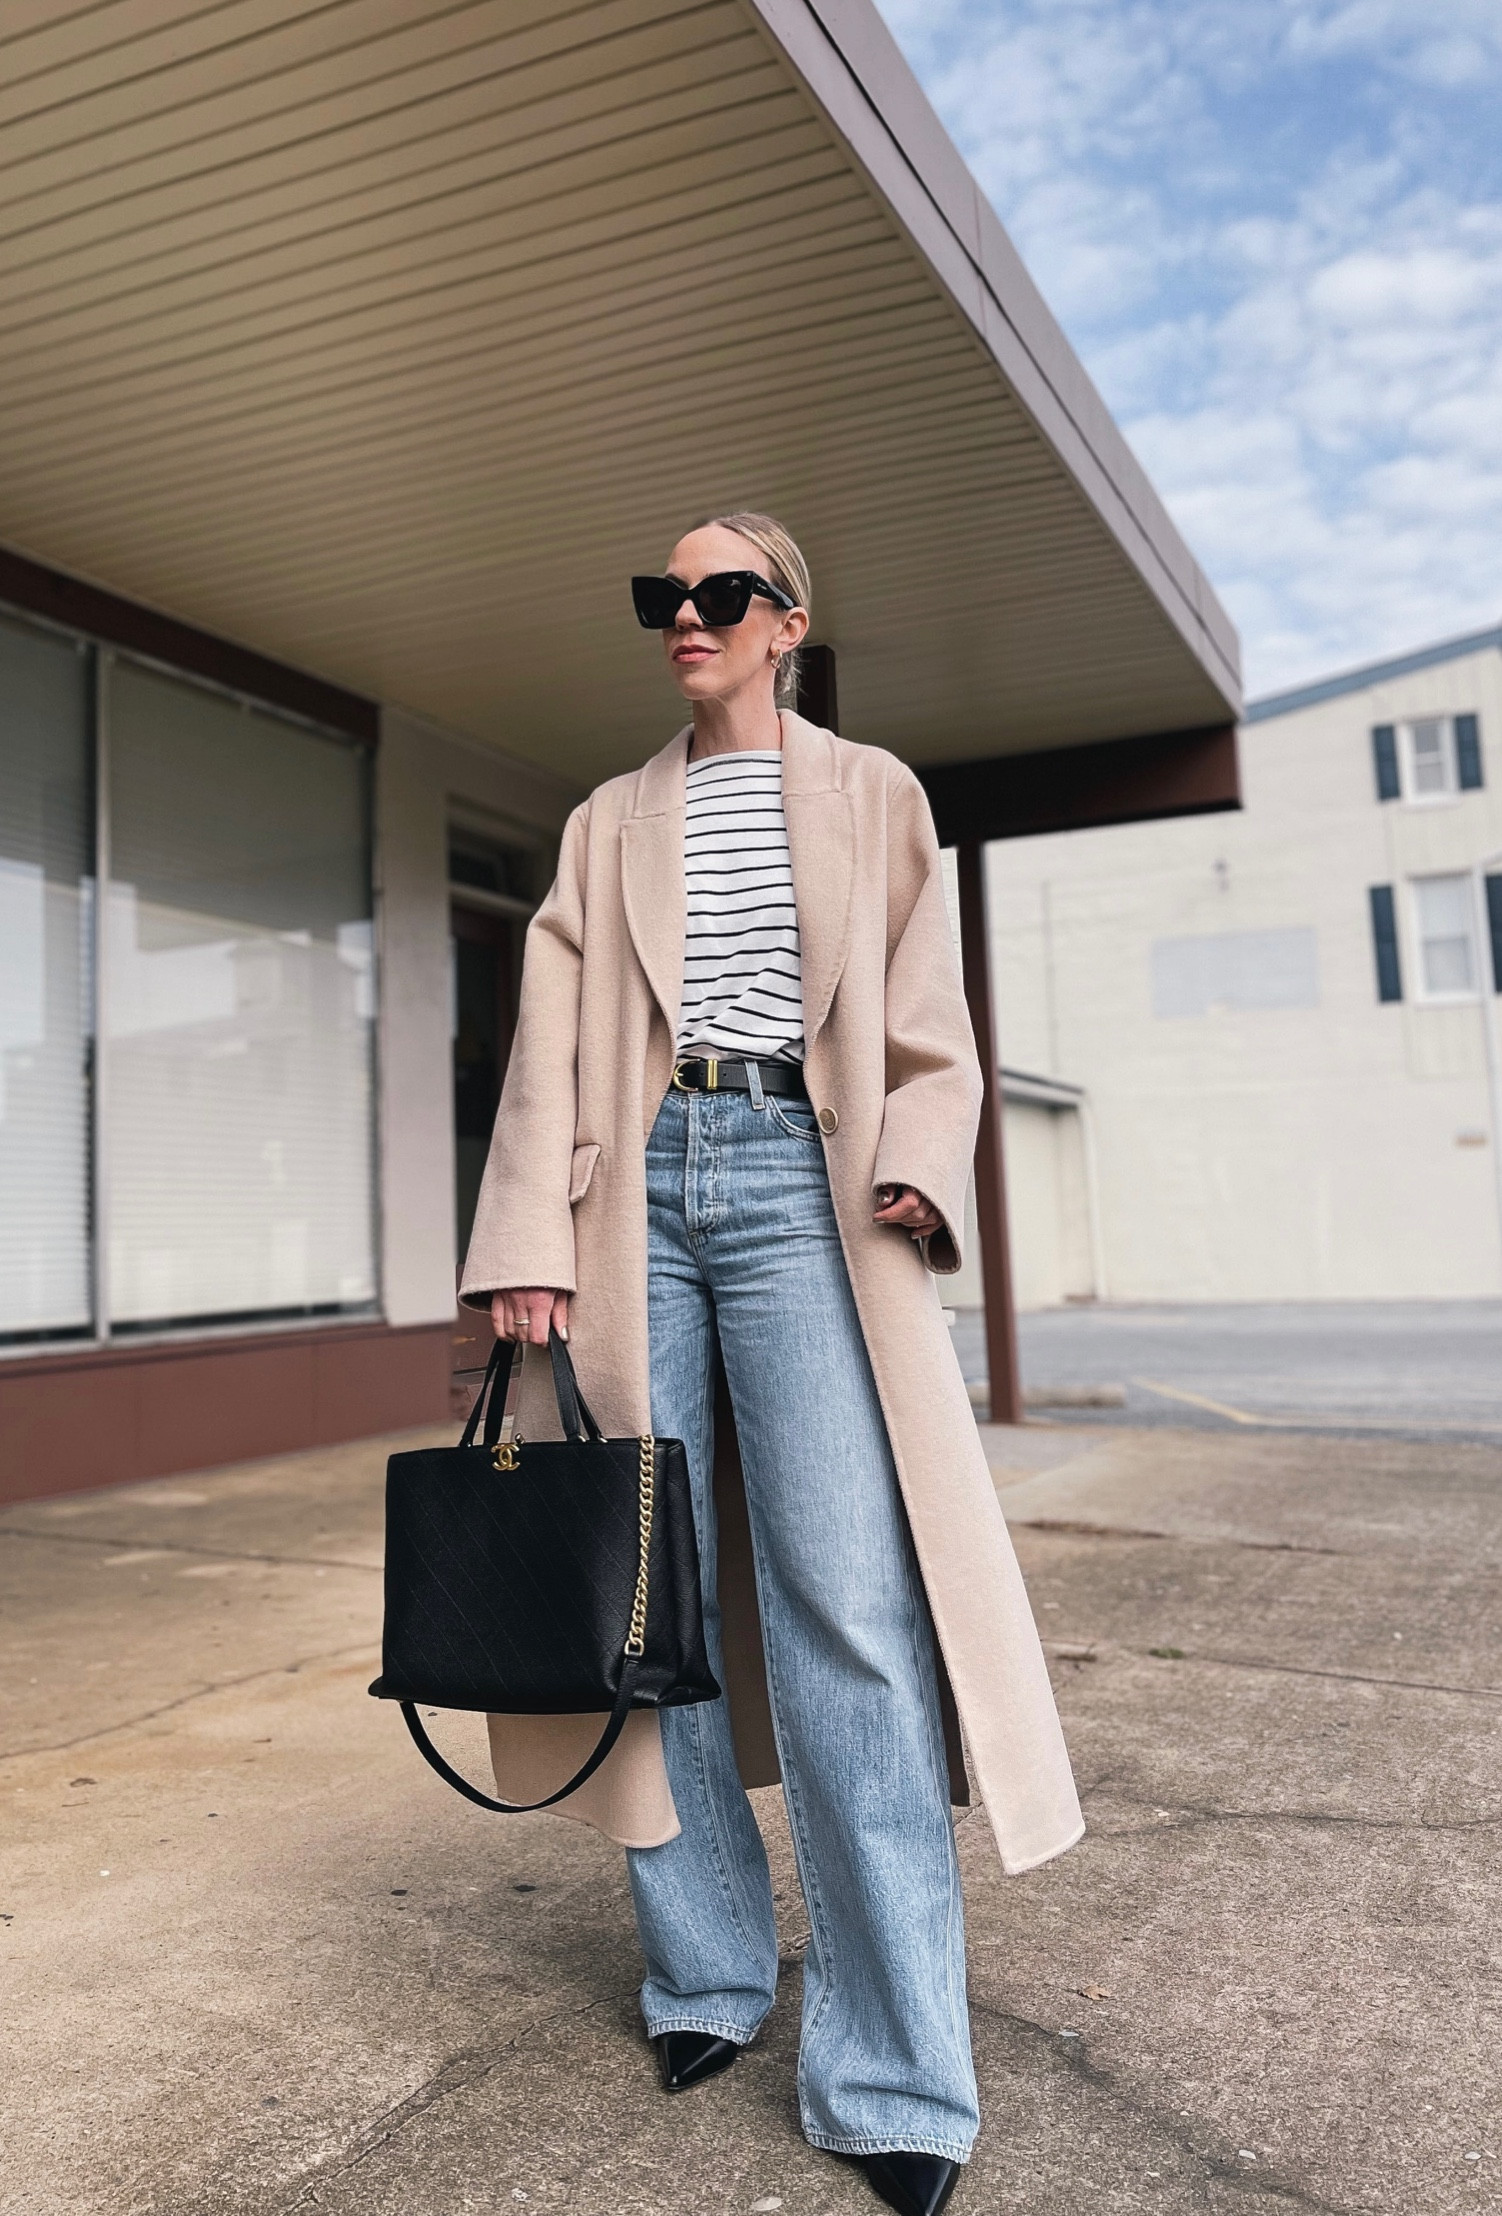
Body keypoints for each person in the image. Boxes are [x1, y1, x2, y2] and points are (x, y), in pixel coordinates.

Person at [459, 512, 1082, 2216]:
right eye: (662, 596)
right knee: (647, 1600)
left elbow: (925, 1025)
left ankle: (892, 2074)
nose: (684, 617)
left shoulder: (871, 791)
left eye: (716, 594)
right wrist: (523, 1236)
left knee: (846, 1614)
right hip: (632, 1193)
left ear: (785, 621)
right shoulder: (609, 819)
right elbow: (548, 1040)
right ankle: (708, 1979)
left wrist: (921, 1162)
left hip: (806, 1184)